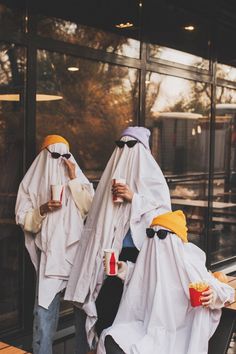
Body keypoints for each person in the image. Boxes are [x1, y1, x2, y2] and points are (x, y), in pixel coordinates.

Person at [64, 126, 172, 353]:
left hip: (139, 259)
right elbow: (97, 218)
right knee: (105, 313)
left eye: (130, 145)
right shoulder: (110, 178)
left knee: (129, 319)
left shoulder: (154, 179)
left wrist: (134, 198)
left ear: (142, 149)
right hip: (109, 256)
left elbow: (163, 220)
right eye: (120, 145)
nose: (124, 150)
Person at [97, 210, 235, 354]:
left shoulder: (188, 264)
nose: (155, 240)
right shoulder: (151, 260)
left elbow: (220, 288)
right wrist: (123, 269)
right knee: (112, 335)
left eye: (161, 235)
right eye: (150, 233)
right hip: (146, 324)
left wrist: (212, 296)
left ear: (175, 239)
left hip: (179, 331)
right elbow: (142, 278)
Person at [15, 135, 94, 354]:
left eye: (65, 155)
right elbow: (22, 217)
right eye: (55, 155)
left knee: (83, 312)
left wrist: (73, 178)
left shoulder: (77, 177)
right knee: (44, 314)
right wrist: (42, 210)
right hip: (50, 257)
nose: (61, 160)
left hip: (76, 253)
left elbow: (89, 207)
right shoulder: (31, 182)